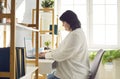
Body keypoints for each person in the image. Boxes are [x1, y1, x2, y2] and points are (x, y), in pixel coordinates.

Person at [39, 10, 90, 79]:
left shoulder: (76, 35)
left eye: (63, 22)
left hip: (73, 75)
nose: (62, 25)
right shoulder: (75, 33)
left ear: (70, 21)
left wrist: (46, 55)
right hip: (71, 72)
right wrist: (48, 53)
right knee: (48, 75)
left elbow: (63, 54)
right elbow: (61, 50)